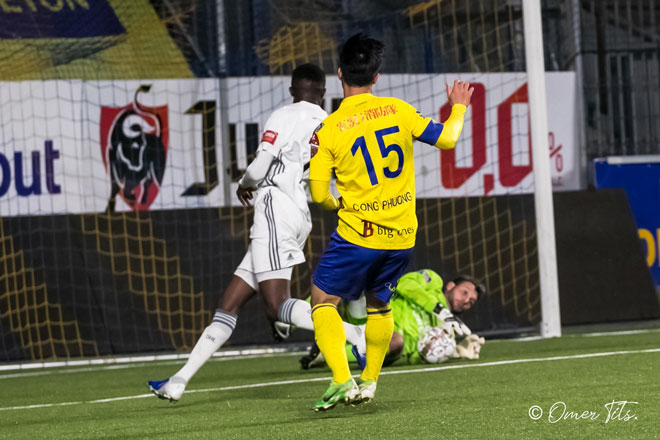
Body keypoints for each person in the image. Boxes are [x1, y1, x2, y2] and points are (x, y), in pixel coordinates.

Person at [147, 63, 364, 402]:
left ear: (292, 90)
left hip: (274, 209)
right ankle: (178, 380)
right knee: (229, 303)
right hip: (297, 212)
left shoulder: (284, 114)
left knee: (277, 307)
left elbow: (261, 164)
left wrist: (244, 183)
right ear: (323, 93)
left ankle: (354, 333)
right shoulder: (328, 122)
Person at [308, 33, 474, 411]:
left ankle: (340, 379)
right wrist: (458, 107)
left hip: (358, 235)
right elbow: (448, 139)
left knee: (322, 301)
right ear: (376, 77)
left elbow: (318, 195)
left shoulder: (330, 128)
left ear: (339, 74)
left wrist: (338, 201)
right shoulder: (399, 110)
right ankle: (369, 382)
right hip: (402, 235)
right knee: (379, 304)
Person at [386, 270, 485, 365]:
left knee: (396, 342)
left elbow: (411, 357)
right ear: (450, 286)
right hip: (378, 316)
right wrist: (438, 308)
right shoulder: (434, 282)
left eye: (471, 302)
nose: (466, 300)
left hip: (389, 345)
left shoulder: (447, 333)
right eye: (464, 292)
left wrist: (453, 353)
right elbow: (404, 283)